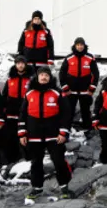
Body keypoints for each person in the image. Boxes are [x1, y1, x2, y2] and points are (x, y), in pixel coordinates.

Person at [19, 66, 72, 200]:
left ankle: (64, 187)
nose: (44, 77)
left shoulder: (57, 93)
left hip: (54, 135)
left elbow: (66, 114)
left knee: (59, 161)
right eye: (41, 75)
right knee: (36, 162)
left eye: (46, 75)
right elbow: (23, 115)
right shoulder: (29, 94)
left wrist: (63, 133)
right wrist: (22, 133)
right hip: (34, 135)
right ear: (37, 77)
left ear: (50, 77)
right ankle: (37, 188)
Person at [59, 37, 99, 131]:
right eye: (78, 45)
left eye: (81, 45)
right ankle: (67, 128)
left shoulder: (90, 57)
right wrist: (65, 88)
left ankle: (87, 128)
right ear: (75, 46)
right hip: (71, 91)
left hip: (85, 91)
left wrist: (92, 89)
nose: (80, 47)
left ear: (84, 46)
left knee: (85, 110)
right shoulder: (69, 58)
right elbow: (62, 73)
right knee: (69, 110)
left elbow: (96, 73)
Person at [0, 55, 31, 165]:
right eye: (18, 63)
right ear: (15, 65)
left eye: (22, 63)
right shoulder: (10, 79)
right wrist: (2, 113)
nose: (20, 65)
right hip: (11, 115)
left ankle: (25, 162)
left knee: (24, 139)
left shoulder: (31, 79)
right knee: (10, 139)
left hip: (25, 115)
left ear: (25, 64)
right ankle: (10, 162)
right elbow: (4, 96)